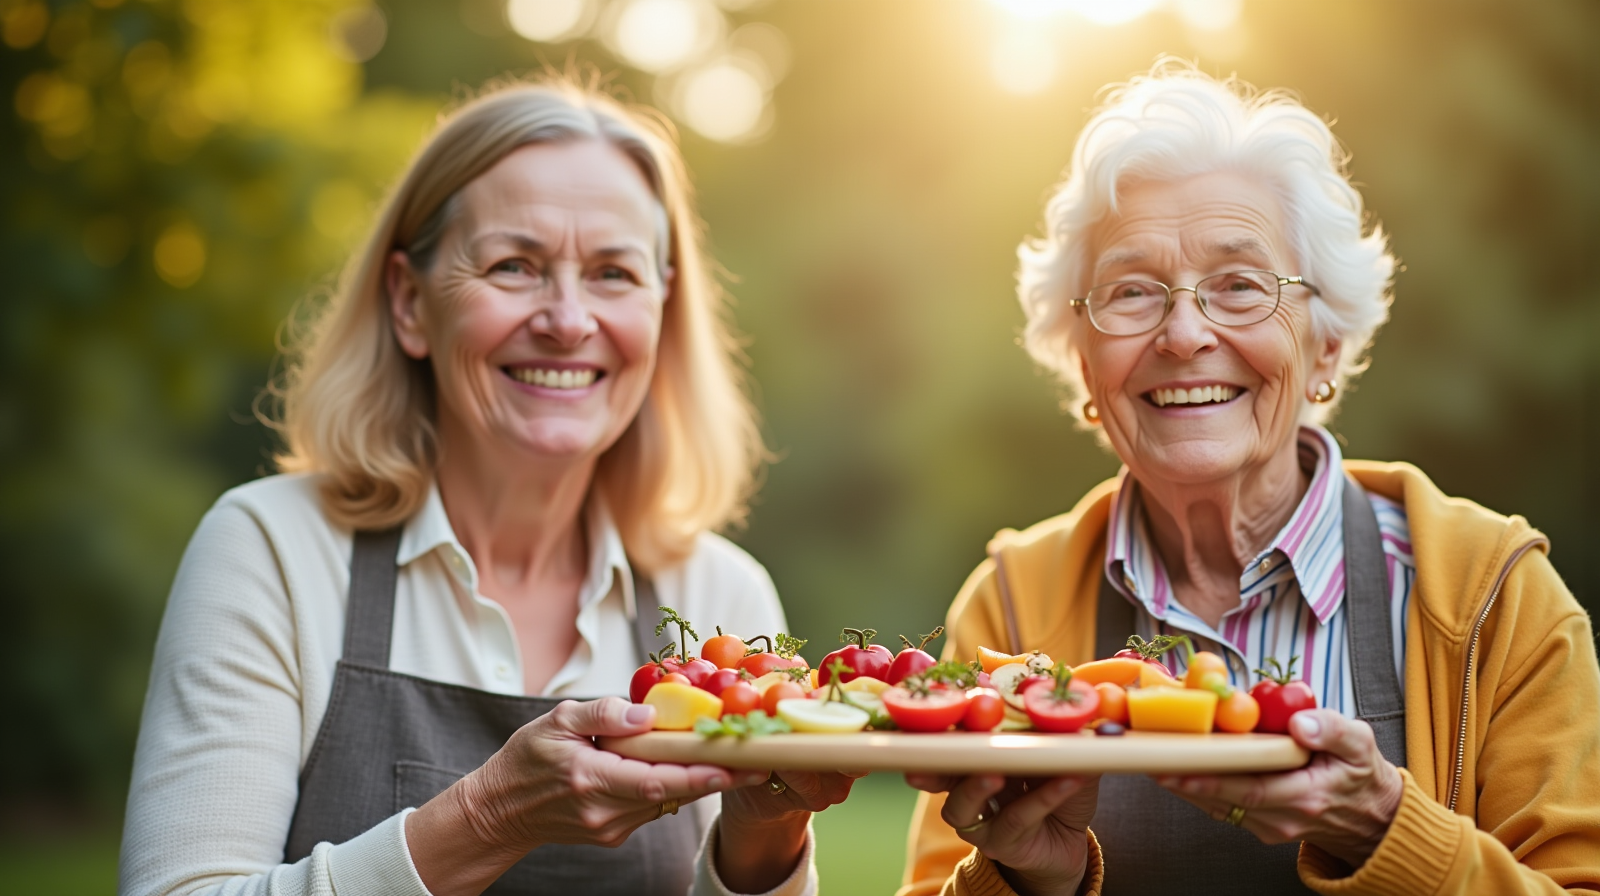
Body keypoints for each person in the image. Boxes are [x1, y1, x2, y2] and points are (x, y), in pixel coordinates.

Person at [118, 80, 858, 896]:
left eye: (613, 273)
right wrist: (489, 817)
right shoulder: (274, 551)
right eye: (514, 266)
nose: (568, 320)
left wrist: (764, 837)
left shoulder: (719, 595)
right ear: (409, 302)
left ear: (660, 311)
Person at [900, 62, 1600, 896]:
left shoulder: (1495, 595)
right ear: (1084, 363)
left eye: (1239, 285)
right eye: (1132, 291)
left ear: (1326, 346)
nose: (1184, 332)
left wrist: (1384, 826)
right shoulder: (1011, 605)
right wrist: (1024, 882)